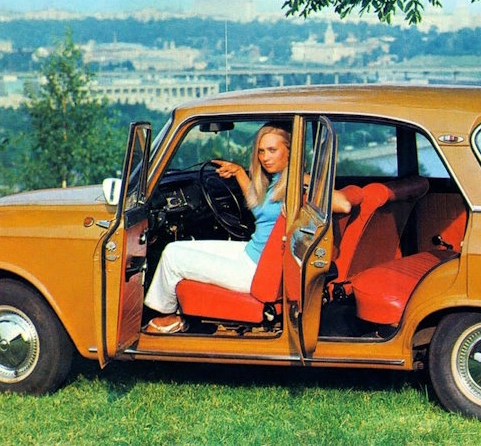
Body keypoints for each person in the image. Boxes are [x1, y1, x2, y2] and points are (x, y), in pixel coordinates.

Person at [144, 122, 350, 333]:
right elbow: (260, 209)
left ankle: (168, 317)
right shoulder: (278, 181)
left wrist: (305, 187)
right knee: (177, 247)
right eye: (261, 151)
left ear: (291, 152)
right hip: (252, 253)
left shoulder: (295, 182)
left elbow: (344, 204)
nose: (265, 157)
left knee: (171, 255)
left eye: (272, 150)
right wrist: (239, 173)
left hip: (254, 270)